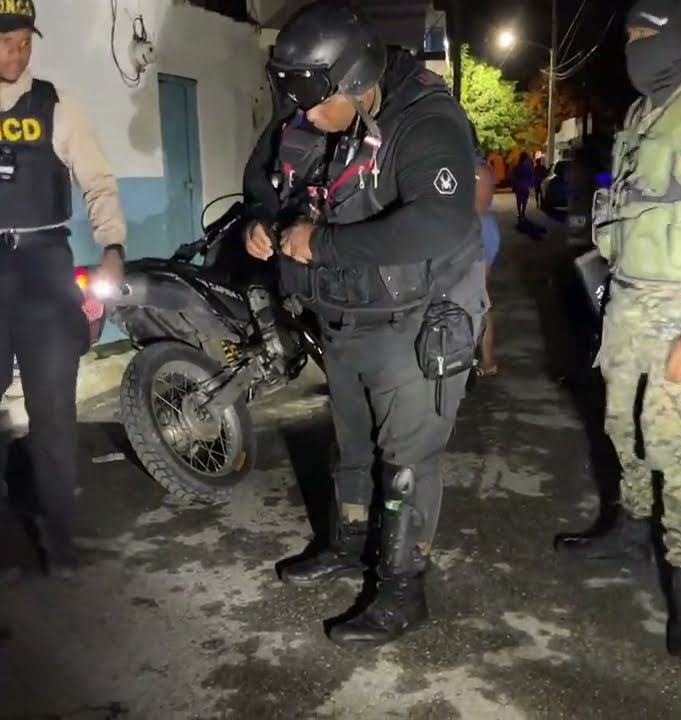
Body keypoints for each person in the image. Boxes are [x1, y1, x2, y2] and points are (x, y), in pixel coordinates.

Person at [243, 1, 486, 647]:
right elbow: (263, 179)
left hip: (416, 316)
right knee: (351, 449)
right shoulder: (312, 111)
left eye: (315, 103)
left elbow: (441, 220)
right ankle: (349, 546)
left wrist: (321, 244)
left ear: (355, 82)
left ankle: (403, 590)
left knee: (406, 459)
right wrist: (262, 224)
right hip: (348, 316)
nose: (302, 116)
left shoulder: (425, 119)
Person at [553, 0, 681, 661]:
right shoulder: (644, 115)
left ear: (678, 38)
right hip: (627, 305)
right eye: (631, 34)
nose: (634, 44)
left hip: (679, 311)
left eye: (646, 33)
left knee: (678, 450)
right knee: (622, 430)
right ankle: (632, 528)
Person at [0, 0, 126, 573]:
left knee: (52, 406)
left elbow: (97, 180)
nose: (17, 50)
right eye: (5, 38)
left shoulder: (56, 104)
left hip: (44, 264)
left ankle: (59, 533)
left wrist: (113, 246)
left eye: (25, 38)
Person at [475, 142, 501, 376]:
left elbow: (480, 206)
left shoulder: (479, 170)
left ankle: (488, 359)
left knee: (480, 298)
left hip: (480, 232)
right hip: (478, 231)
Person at [511, 151, 536, 220]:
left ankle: (519, 212)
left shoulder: (517, 166)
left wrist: (513, 185)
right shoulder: (528, 166)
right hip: (525, 185)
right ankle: (522, 212)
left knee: (519, 199)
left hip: (519, 185)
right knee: (525, 199)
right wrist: (531, 184)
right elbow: (532, 175)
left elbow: (514, 176)